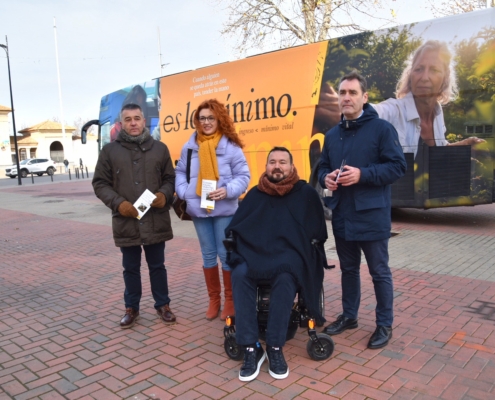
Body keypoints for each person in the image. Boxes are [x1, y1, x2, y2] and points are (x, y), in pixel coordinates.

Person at [318, 71, 406, 349]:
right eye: (343, 92)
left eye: (352, 93)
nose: (346, 97)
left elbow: (397, 167)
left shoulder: (382, 129)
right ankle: (350, 316)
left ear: (364, 97)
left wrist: (362, 174)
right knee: (348, 270)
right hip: (342, 213)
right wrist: (325, 178)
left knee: (379, 271)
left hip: (372, 215)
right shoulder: (332, 135)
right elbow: (321, 167)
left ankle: (384, 324)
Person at [226, 147, 328, 382]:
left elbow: (317, 233)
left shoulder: (306, 194)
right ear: (266, 166)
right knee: (240, 273)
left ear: (292, 167)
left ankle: (274, 346)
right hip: (254, 253)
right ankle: (251, 347)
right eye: (273, 162)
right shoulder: (255, 194)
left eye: (283, 162)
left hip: (289, 255)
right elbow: (237, 226)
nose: (277, 166)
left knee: (285, 276)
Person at [92, 103, 176, 329]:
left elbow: (170, 179)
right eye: (128, 119)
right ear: (121, 123)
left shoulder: (160, 148)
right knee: (130, 268)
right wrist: (120, 205)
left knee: (157, 265)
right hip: (126, 220)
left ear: (144, 120)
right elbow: (100, 183)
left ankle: (163, 305)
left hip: (155, 218)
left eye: (137, 118)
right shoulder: (110, 151)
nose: (133, 123)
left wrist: (164, 194)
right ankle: (132, 308)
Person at [175, 99, 250, 321]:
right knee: (208, 255)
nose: (206, 122)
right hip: (199, 208)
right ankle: (214, 300)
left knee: (225, 255)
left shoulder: (231, 147)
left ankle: (230, 300)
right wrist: (184, 191)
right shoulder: (190, 147)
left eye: (211, 118)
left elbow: (244, 177)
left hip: (225, 209)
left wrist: (227, 191)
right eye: (202, 118)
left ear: (219, 119)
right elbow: (180, 172)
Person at [372, 40, 484, 157]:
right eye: (419, 69)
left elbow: (437, 150)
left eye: (434, 70)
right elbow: (367, 112)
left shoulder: (437, 113)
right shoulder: (394, 110)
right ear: (411, 75)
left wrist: (464, 145)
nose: (424, 77)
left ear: (445, 77)